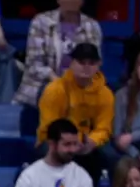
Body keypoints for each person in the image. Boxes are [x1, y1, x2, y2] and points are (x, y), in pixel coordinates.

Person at [15, 0, 101, 108]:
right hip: (43, 85)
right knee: (53, 93)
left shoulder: (92, 26)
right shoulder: (40, 22)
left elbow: (93, 63)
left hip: (79, 85)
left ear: (82, 0)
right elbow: (34, 64)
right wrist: (56, 81)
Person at [37, 43, 113, 175]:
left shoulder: (106, 94)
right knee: (50, 149)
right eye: (81, 62)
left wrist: (92, 141)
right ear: (71, 63)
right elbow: (50, 127)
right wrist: (72, 142)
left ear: (98, 65)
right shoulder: (54, 90)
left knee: (111, 156)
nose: (86, 66)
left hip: (88, 141)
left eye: (91, 62)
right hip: (56, 139)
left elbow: (104, 128)